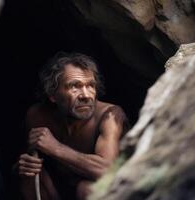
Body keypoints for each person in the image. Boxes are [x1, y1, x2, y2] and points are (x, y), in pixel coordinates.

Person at [18, 52, 129, 200]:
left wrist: (55, 148)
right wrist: (23, 166)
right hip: (59, 191)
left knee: (88, 189)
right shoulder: (37, 116)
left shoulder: (110, 116)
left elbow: (108, 171)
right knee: (29, 177)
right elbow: (25, 159)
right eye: (74, 86)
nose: (86, 95)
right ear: (52, 95)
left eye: (91, 86)